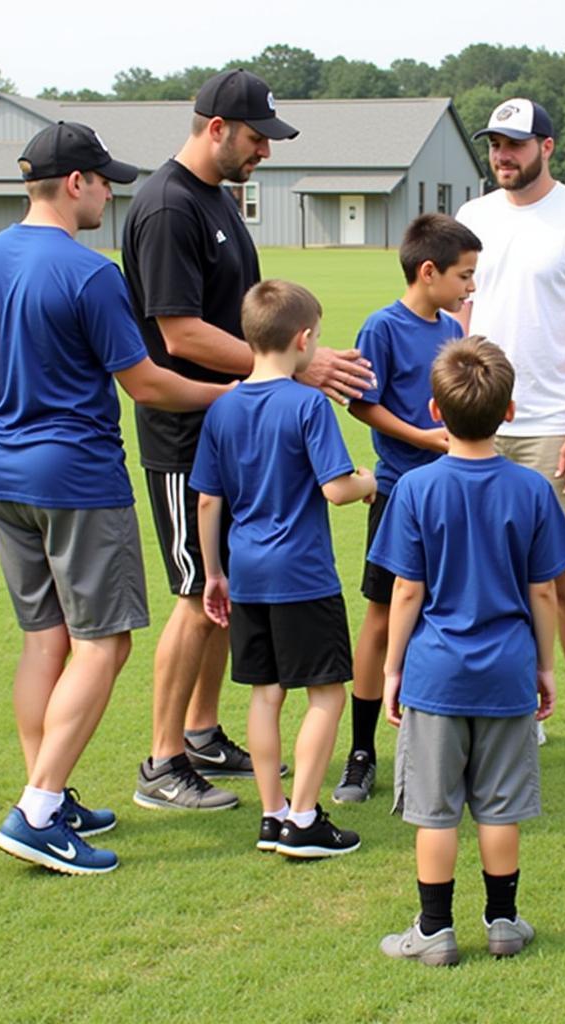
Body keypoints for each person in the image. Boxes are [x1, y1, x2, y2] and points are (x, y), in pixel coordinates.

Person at [0, 121, 234, 875]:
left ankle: (49, 792)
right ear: (74, 185)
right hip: (79, 482)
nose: (110, 193)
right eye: (102, 182)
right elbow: (148, 383)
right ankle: (37, 809)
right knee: (104, 642)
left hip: (1, 477)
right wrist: (236, 393)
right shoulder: (91, 274)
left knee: (45, 640)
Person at [122, 70, 375, 811]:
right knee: (197, 591)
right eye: (257, 136)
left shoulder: (213, 201)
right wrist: (296, 366)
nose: (264, 149)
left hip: (231, 431)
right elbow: (180, 331)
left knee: (216, 599)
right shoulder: (169, 206)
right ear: (215, 128)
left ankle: (200, 732)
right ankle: (162, 761)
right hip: (186, 435)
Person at [373, 337, 565, 965]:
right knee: (499, 805)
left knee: (435, 812)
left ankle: (434, 931)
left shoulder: (415, 489)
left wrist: (391, 670)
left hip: (435, 674)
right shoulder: (532, 489)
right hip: (506, 671)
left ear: (435, 411)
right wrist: (545, 667)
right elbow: (543, 590)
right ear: (510, 410)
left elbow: (406, 590)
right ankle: (503, 923)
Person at [456, 98, 565, 775]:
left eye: (516, 144)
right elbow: (459, 310)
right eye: (495, 143)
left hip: (554, 425)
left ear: (547, 147)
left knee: (564, 574)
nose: (503, 155)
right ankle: (514, 709)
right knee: (489, 575)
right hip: (479, 422)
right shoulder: (472, 218)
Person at [191, 279, 377, 856]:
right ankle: (304, 818)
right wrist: (370, 482)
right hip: (303, 574)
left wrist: (214, 572)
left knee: (264, 692)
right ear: (303, 340)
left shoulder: (222, 409)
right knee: (326, 693)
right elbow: (335, 489)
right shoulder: (307, 405)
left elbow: (206, 500)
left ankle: (272, 813)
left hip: (245, 572)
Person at [330, 213, 481, 804]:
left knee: (450, 617)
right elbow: (361, 405)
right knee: (381, 620)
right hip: (398, 495)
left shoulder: (451, 328)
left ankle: (450, 747)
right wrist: (422, 438)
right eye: (464, 276)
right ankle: (362, 751)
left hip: (454, 494)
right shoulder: (383, 327)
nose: (471, 287)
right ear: (428, 271)